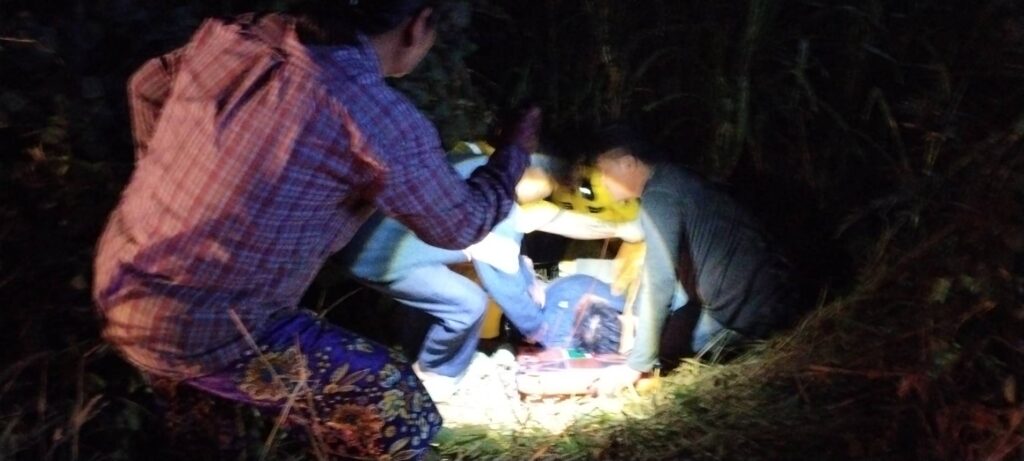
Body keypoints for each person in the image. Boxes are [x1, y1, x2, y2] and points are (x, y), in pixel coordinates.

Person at [92, 2, 539, 458]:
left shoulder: (237, 38)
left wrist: (170, 186)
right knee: (399, 407)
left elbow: (147, 85)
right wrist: (514, 152)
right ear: (419, 23)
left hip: (120, 280)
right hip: (208, 326)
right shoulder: (372, 114)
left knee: (235, 428)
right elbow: (461, 226)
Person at [336, 144, 644, 400]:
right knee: (467, 304)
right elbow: (504, 280)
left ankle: (429, 363)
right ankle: (436, 381)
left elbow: (542, 221)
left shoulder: (485, 165)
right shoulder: (498, 210)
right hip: (379, 254)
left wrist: (618, 230)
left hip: (368, 234)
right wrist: (539, 329)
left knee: (460, 291)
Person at [576, 125, 808, 395]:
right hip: (767, 293)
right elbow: (640, 240)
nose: (603, 181)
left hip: (748, 315)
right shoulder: (674, 179)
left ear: (628, 163)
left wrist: (636, 365)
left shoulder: (659, 197)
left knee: (655, 351)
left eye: (605, 171)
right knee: (648, 334)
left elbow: (659, 281)